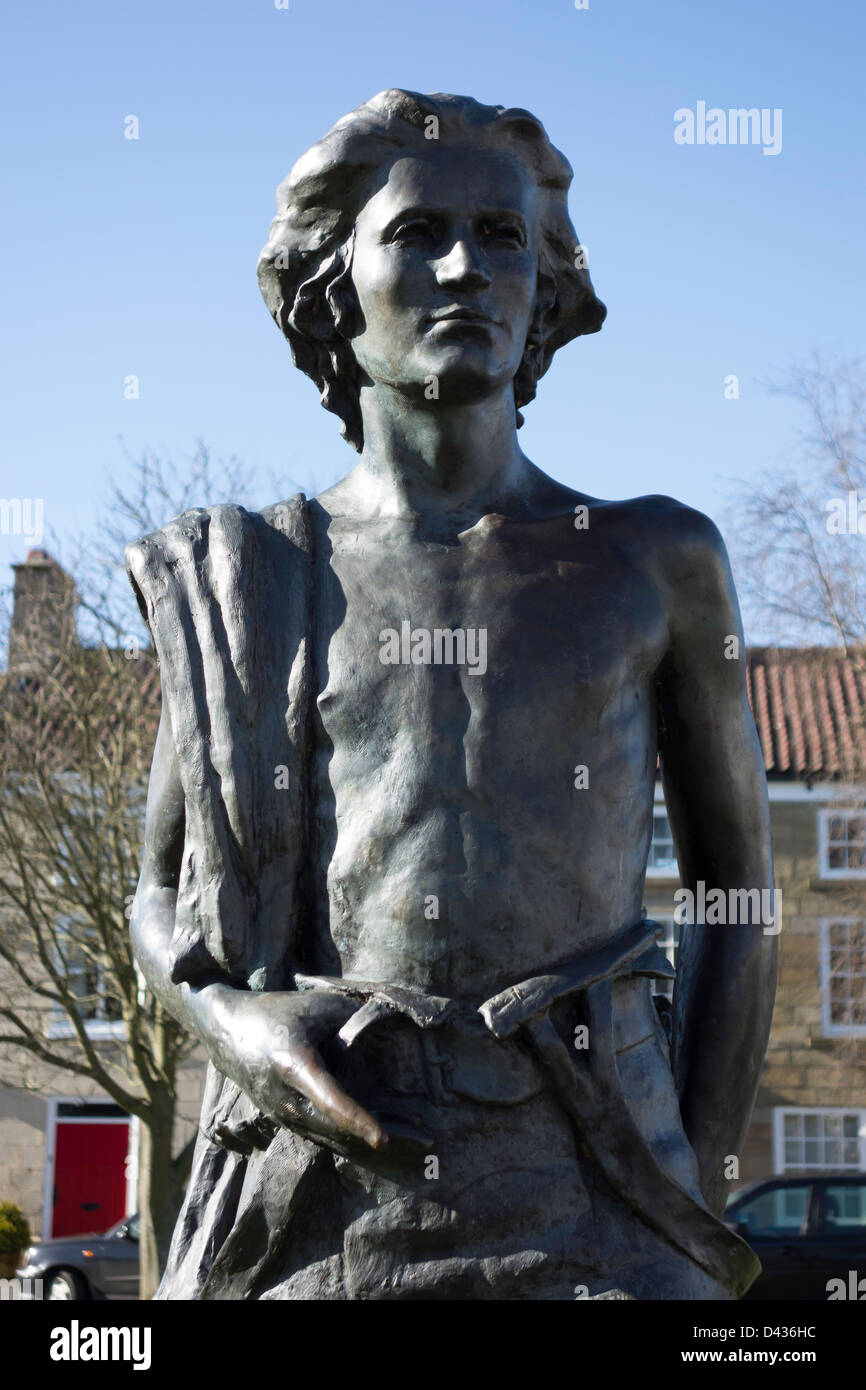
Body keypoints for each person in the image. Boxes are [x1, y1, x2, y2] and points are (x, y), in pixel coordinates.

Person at [127, 89, 776, 1300]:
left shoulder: (651, 557)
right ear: (333, 282)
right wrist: (235, 1027)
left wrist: (689, 1174)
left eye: (502, 235)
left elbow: (734, 894)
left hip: (601, 1169)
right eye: (417, 233)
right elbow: (157, 897)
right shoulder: (250, 577)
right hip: (320, 1169)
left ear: (544, 287)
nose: (465, 267)